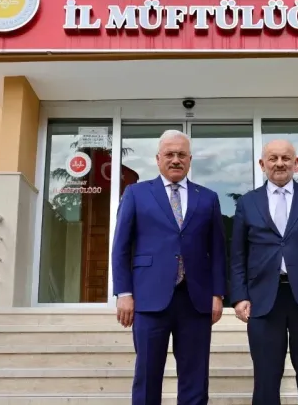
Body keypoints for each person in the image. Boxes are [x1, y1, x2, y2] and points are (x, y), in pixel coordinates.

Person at [111, 129, 226, 405]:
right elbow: (121, 247)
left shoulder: (208, 197)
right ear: (158, 158)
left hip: (196, 300)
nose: (176, 160)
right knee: (147, 376)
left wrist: (218, 293)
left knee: (195, 378)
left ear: (190, 160)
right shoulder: (136, 193)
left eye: (182, 155)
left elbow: (218, 251)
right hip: (149, 299)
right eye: (170, 154)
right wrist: (124, 293)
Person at [229, 139, 298, 405]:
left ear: (295, 162)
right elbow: (237, 255)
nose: (279, 164)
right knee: (266, 376)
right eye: (273, 158)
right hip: (263, 298)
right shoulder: (247, 202)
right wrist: (240, 296)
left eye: (286, 158)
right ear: (262, 164)